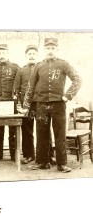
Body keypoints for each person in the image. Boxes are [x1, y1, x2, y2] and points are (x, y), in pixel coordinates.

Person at [23, 38, 81, 173]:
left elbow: (78, 79)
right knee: (41, 133)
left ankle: (62, 164)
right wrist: (26, 105)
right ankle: (42, 162)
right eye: (48, 48)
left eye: (53, 48)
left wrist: (68, 95)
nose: (50, 51)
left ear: (57, 49)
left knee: (59, 134)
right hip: (41, 105)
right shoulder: (38, 66)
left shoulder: (63, 64)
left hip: (59, 105)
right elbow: (30, 86)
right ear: (44, 49)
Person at [13, 45, 56, 165]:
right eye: (29, 54)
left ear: (37, 56)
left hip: (40, 104)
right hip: (27, 106)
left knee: (45, 129)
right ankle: (28, 155)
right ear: (26, 56)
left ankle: (49, 155)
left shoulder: (43, 68)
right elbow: (16, 90)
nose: (31, 56)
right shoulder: (21, 71)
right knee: (27, 130)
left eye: (34, 53)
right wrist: (19, 105)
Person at [0, 44, 19, 161]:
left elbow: (19, 85)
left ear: (8, 53)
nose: (2, 55)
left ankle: (13, 155)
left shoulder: (15, 68)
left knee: (13, 131)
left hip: (11, 103)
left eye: (4, 53)